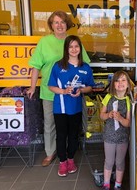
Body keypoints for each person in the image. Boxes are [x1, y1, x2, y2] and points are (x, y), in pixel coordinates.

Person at [27, 10, 90, 167]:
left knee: (71, 124)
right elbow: (35, 66)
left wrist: (82, 88)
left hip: (72, 93)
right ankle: (50, 152)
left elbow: (85, 63)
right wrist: (32, 87)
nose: (59, 25)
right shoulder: (44, 42)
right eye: (56, 22)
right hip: (51, 92)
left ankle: (70, 152)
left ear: (67, 24)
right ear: (51, 25)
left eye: (62, 22)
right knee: (50, 123)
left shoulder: (73, 42)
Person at [48, 35, 95, 177]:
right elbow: (51, 86)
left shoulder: (85, 67)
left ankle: (70, 159)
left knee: (73, 136)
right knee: (61, 136)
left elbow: (90, 87)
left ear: (80, 48)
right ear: (66, 49)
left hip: (76, 108)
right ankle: (62, 162)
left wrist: (81, 90)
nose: (74, 49)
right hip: (60, 108)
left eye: (76, 46)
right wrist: (63, 91)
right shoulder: (58, 66)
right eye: (71, 46)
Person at [100, 70, 132, 190]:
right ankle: (106, 183)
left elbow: (128, 123)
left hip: (122, 138)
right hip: (109, 136)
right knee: (108, 161)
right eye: (117, 81)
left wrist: (119, 118)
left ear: (128, 84)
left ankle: (118, 184)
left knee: (120, 162)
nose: (120, 83)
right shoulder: (108, 97)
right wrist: (108, 115)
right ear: (113, 84)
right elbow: (101, 115)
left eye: (123, 80)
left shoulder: (129, 101)